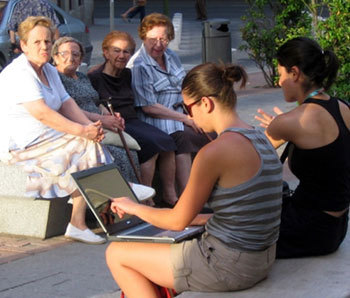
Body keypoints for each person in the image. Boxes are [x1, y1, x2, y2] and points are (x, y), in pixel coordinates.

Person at [105, 63, 283, 297]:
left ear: (206, 103)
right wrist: (203, 220)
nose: (188, 116)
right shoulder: (259, 137)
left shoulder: (215, 151)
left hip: (229, 266)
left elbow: (177, 220)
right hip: (262, 257)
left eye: (187, 108)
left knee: (117, 254)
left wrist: (133, 207)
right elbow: (248, 210)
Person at [0, 16, 112, 244]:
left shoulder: (49, 70)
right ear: (23, 45)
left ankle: (81, 221)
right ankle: (106, 198)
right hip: (22, 144)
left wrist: (89, 127)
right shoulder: (19, 73)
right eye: (37, 42)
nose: (44, 47)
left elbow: (66, 102)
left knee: (90, 143)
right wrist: (83, 131)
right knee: (84, 144)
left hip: (47, 138)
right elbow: (42, 113)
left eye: (48, 42)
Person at [255, 37, 350, 258]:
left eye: (280, 74)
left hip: (307, 229)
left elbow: (251, 156)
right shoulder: (343, 107)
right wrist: (287, 126)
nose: (279, 82)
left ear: (295, 73)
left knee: (225, 235)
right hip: (336, 227)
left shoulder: (292, 121)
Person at [128, 13, 214, 195]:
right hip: (157, 117)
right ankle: (186, 195)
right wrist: (186, 118)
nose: (159, 44)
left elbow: (184, 86)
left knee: (213, 130)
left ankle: (211, 189)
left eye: (164, 38)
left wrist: (197, 111)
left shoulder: (171, 56)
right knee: (181, 136)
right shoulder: (139, 65)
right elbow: (148, 106)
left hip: (180, 112)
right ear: (143, 36)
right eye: (153, 39)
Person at [88, 31, 178, 206]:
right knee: (152, 146)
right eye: (116, 50)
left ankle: (170, 195)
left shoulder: (127, 74)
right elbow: (93, 104)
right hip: (116, 123)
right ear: (105, 52)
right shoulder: (95, 77)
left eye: (127, 51)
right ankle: (146, 199)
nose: (122, 56)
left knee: (167, 141)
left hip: (133, 119)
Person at [52, 36, 139, 183]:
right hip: (79, 125)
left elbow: (96, 100)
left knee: (131, 152)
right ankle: (112, 201)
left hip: (99, 121)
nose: (70, 58)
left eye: (75, 54)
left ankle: (131, 197)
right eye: (64, 53)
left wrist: (109, 114)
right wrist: (101, 119)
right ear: (55, 57)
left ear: (81, 59)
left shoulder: (82, 77)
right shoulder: (55, 78)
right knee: (115, 154)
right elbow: (65, 109)